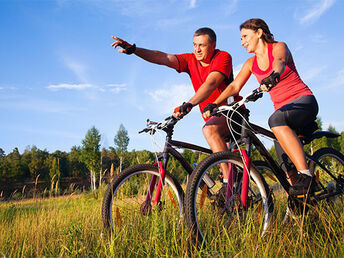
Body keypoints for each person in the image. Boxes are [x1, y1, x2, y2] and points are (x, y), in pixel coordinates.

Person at [112, 28, 245, 183]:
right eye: (194, 44)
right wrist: (134, 50)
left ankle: (229, 184)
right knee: (218, 151)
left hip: (232, 113)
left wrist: (190, 104)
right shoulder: (190, 60)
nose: (197, 49)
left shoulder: (223, 57)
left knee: (209, 131)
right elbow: (162, 57)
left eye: (202, 45)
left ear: (213, 45)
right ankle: (230, 186)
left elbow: (211, 82)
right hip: (212, 118)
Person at [203, 18, 319, 195]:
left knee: (275, 120)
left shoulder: (279, 47)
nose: (242, 42)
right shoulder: (251, 63)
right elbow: (234, 87)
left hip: (303, 101)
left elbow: (279, 61)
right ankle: (302, 200)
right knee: (285, 167)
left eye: (245, 36)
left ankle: (307, 177)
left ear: (258, 33)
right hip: (283, 114)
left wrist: (273, 76)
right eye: (241, 38)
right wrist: (215, 103)